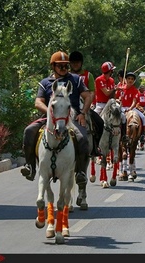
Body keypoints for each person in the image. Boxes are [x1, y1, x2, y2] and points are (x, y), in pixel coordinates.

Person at [21, 51, 92, 186]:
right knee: (28, 131)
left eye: (66, 66)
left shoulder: (76, 80)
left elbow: (88, 96)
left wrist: (82, 113)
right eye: (61, 66)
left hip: (71, 119)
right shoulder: (45, 82)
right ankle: (30, 166)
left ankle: (80, 172)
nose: (64, 69)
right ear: (53, 67)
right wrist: (50, 111)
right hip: (50, 118)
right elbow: (38, 102)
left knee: (83, 139)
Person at [69, 51, 104, 156]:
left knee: (100, 123)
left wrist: (87, 104)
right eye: (73, 62)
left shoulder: (88, 75)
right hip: (69, 105)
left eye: (77, 62)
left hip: (84, 106)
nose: (75, 64)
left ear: (81, 63)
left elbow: (92, 92)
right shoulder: (67, 75)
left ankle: (96, 146)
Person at [94, 62, 127, 142]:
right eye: (112, 70)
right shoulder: (99, 80)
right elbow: (107, 92)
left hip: (111, 103)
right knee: (93, 118)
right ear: (109, 71)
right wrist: (116, 89)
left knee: (123, 116)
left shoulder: (112, 80)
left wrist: (117, 99)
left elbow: (112, 95)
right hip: (101, 104)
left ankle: (124, 136)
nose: (113, 72)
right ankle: (94, 138)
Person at [119, 72, 145, 143]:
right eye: (128, 78)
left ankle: (142, 135)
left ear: (134, 81)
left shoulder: (135, 90)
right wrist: (119, 100)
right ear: (125, 79)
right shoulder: (121, 88)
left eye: (132, 79)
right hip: (121, 107)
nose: (130, 80)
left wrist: (130, 109)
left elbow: (134, 102)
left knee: (143, 117)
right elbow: (116, 98)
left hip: (131, 108)